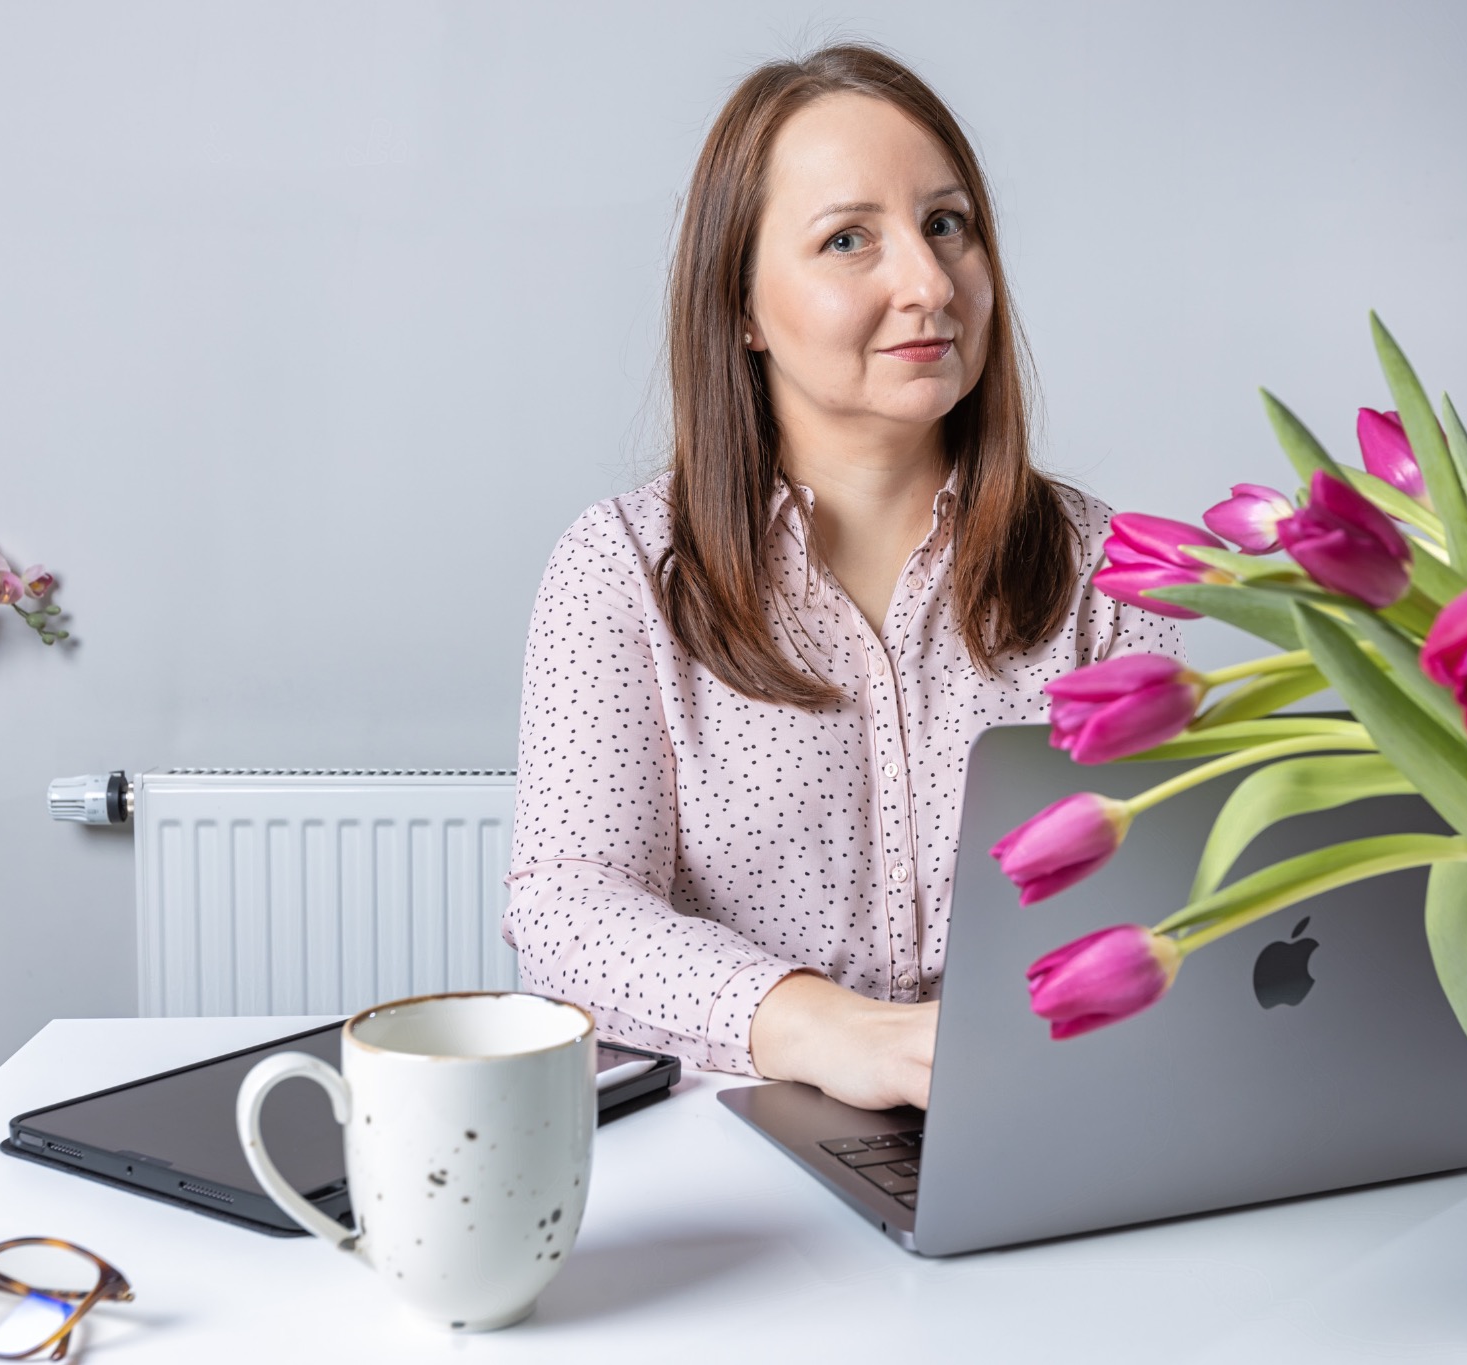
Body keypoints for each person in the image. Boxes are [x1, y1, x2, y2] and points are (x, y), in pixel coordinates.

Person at [503, 44, 1181, 1112]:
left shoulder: (1111, 573)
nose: (927, 283)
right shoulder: (620, 572)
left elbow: (1158, 898)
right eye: (847, 239)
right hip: (732, 1136)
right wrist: (825, 1030)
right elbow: (567, 907)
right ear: (740, 310)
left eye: (945, 224)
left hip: (1036, 1112)